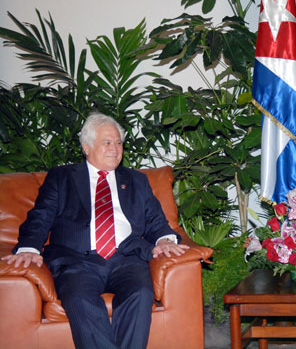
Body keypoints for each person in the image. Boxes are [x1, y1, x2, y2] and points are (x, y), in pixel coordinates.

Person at [1, 112, 189, 349]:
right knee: (80, 299)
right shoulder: (62, 177)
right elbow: (41, 216)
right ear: (87, 147)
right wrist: (29, 247)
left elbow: (156, 220)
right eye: (107, 142)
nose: (115, 148)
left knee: (141, 294)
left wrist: (164, 240)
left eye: (119, 143)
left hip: (127, 258)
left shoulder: (136, 180)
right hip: (76, 260)